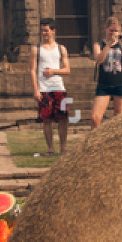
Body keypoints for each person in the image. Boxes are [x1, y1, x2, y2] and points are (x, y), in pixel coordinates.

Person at [31, 18, 70, 154]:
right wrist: (36, 90)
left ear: (53, 31)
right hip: (44, 89)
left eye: (46, 30)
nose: (44, 33)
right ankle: (50, 148)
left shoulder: (61, 49)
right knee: (46, 120)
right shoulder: (36, 49)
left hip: (59, 88)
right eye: (42, 30)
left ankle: (63, 146)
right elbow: (32, 70)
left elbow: (67, 69)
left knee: (63, 118)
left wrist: (53, 71)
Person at [90, 16, 122, 127]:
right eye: (111, 30)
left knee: (119, 118)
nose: (113, 33)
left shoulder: (121, 44)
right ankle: (95, 141)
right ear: (106, 29)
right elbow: (99, 60)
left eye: (115, 31)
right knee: (95, 117)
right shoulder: (98, 45)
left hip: (120, 83)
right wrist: (108, 45)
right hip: (104, 84)